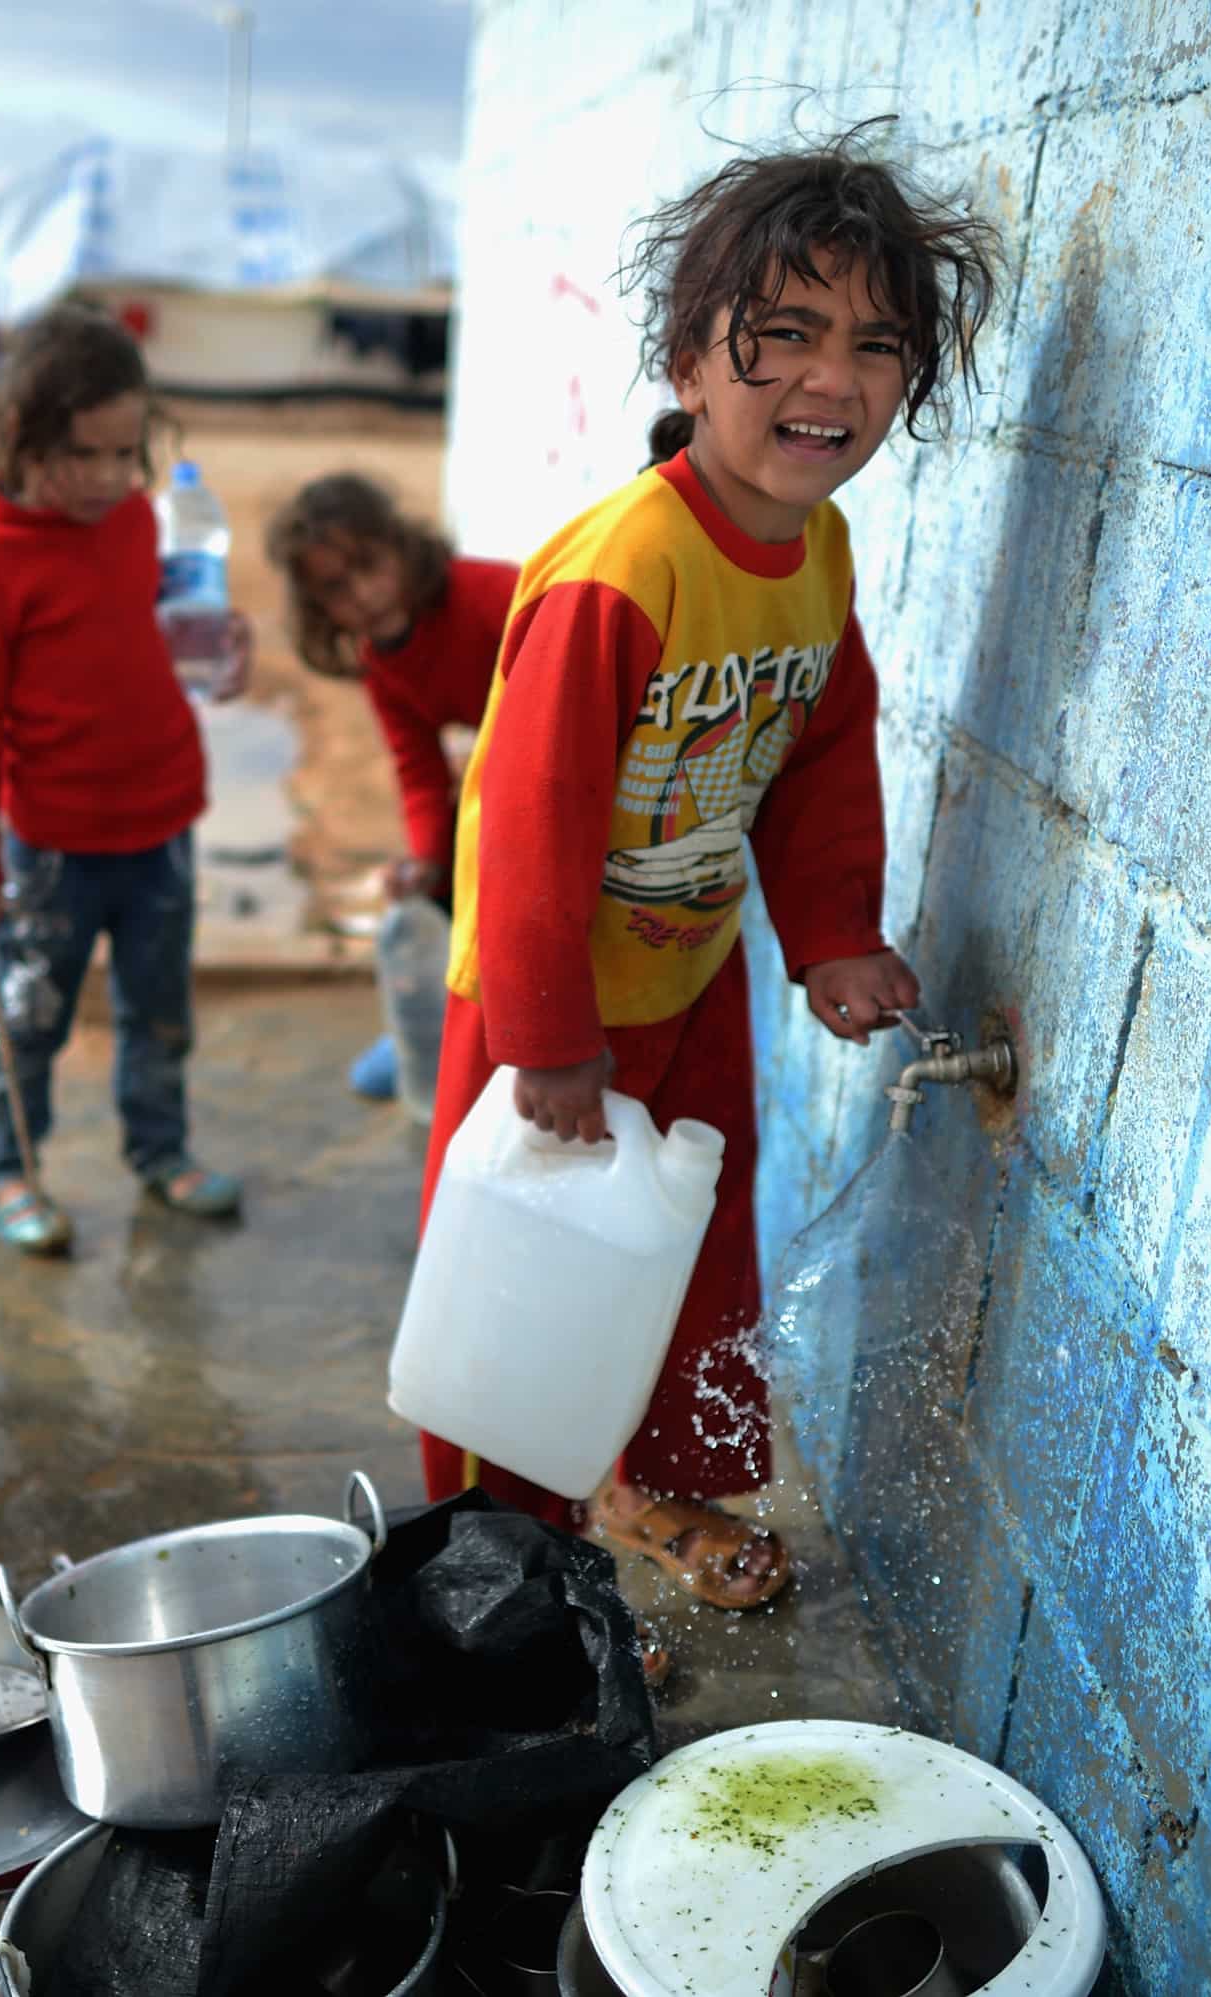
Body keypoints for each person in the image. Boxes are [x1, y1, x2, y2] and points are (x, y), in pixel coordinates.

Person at [418, 124, 999, 1612]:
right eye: (785, 337)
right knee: (520, 1292)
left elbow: (819, 751)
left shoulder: (818, 554)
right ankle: (506, 1581)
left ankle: (652, 1492)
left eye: (877, 347)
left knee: (686, 1267)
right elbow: (531, 816)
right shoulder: (625, 572)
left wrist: (830, 937)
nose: (832, 381)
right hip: (543, 1014)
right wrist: (547, 1039)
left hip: (687, 976)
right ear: (687, 365)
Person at [0, 303, 255, 1254]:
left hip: (162, 821)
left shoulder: (134, 525)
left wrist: (224, 651)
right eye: (89, 454)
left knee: (160, 1010)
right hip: (50, 849)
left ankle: (161, 1151)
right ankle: (11, 1167)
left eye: (129, 453)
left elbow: (166, 635)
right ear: (22, 434)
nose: (114, 478)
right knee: (28, 1017)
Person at [266, 472, 517, 1099]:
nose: (365, 593)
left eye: (370, 565)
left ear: (401, 546)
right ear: (318, 609)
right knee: (441, 885)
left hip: (573, 767)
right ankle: (432, 1031)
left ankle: (504, 1040)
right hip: (508, 783)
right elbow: (420, 771)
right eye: (336, 588)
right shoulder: (384, 663)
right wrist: (424, 860)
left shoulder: (486, 595)